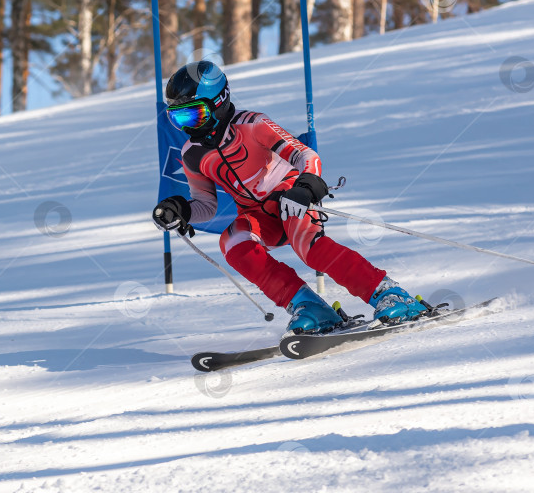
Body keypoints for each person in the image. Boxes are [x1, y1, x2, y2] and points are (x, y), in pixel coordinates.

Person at [152, 61, 426, 334]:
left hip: (290, 200)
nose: (187, 126)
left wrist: (305, 186)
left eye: (193, 115)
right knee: (233, 243)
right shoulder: (192, 153)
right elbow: (206, 205)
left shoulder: (253, 125)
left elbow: (305, 155)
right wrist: (182, 210)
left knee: (310, 247)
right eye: (178, 118)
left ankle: (389, 294)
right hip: (257, 217)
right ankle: (311, 308)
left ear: (218, 100)